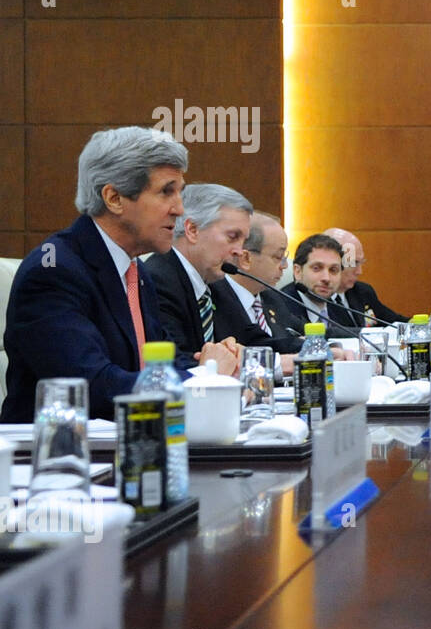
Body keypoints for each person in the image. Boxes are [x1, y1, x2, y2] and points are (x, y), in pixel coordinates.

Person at [2, 127, 235, 422]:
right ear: (114, 198)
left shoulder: (135, 270)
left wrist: (219, 363)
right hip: (57, 458)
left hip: (130, 445)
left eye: (180, 192)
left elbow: (159, 362)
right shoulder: (53, 270)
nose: (179, 209)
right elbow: (94, 386)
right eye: (167, 191)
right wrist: (205, 377)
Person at [144, 183, 251, 358]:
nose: (239, 251)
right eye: (232, 237)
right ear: (192, 230)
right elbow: (174, 359)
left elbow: (251, 337)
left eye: (243, 240)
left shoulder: (215, 280)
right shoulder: (158, 279)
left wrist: (299, 351)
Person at [211, 210, 301, 356]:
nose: (284, 266)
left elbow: (303, 330)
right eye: (278, 257)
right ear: (245, 258)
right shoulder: (214, 297)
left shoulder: (271, 298)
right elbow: (249, 346)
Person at [323, 227, 407, 326]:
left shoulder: (362, 291)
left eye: (361, 263)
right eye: (354, 263)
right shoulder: (317, 298)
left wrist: (422, 323)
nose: (359, 271)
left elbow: (393, 321)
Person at [276, 234, 353, 335]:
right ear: (297, 272)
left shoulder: (338, 307)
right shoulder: (281, 308)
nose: (326, 278)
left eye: (333, 270)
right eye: (317, 268)